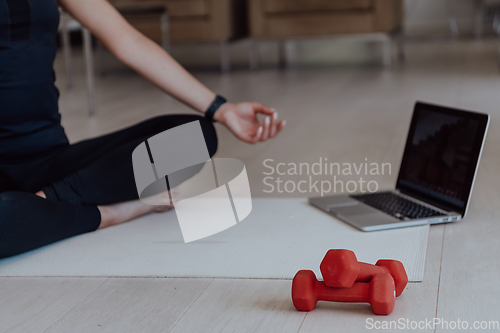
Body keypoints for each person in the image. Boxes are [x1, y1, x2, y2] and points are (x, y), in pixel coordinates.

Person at [0, 0, 285, 258]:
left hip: (52, 163)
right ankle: (110, 213)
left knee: (195, 135)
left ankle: (45, 203)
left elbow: (129, 41)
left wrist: (221, 109)